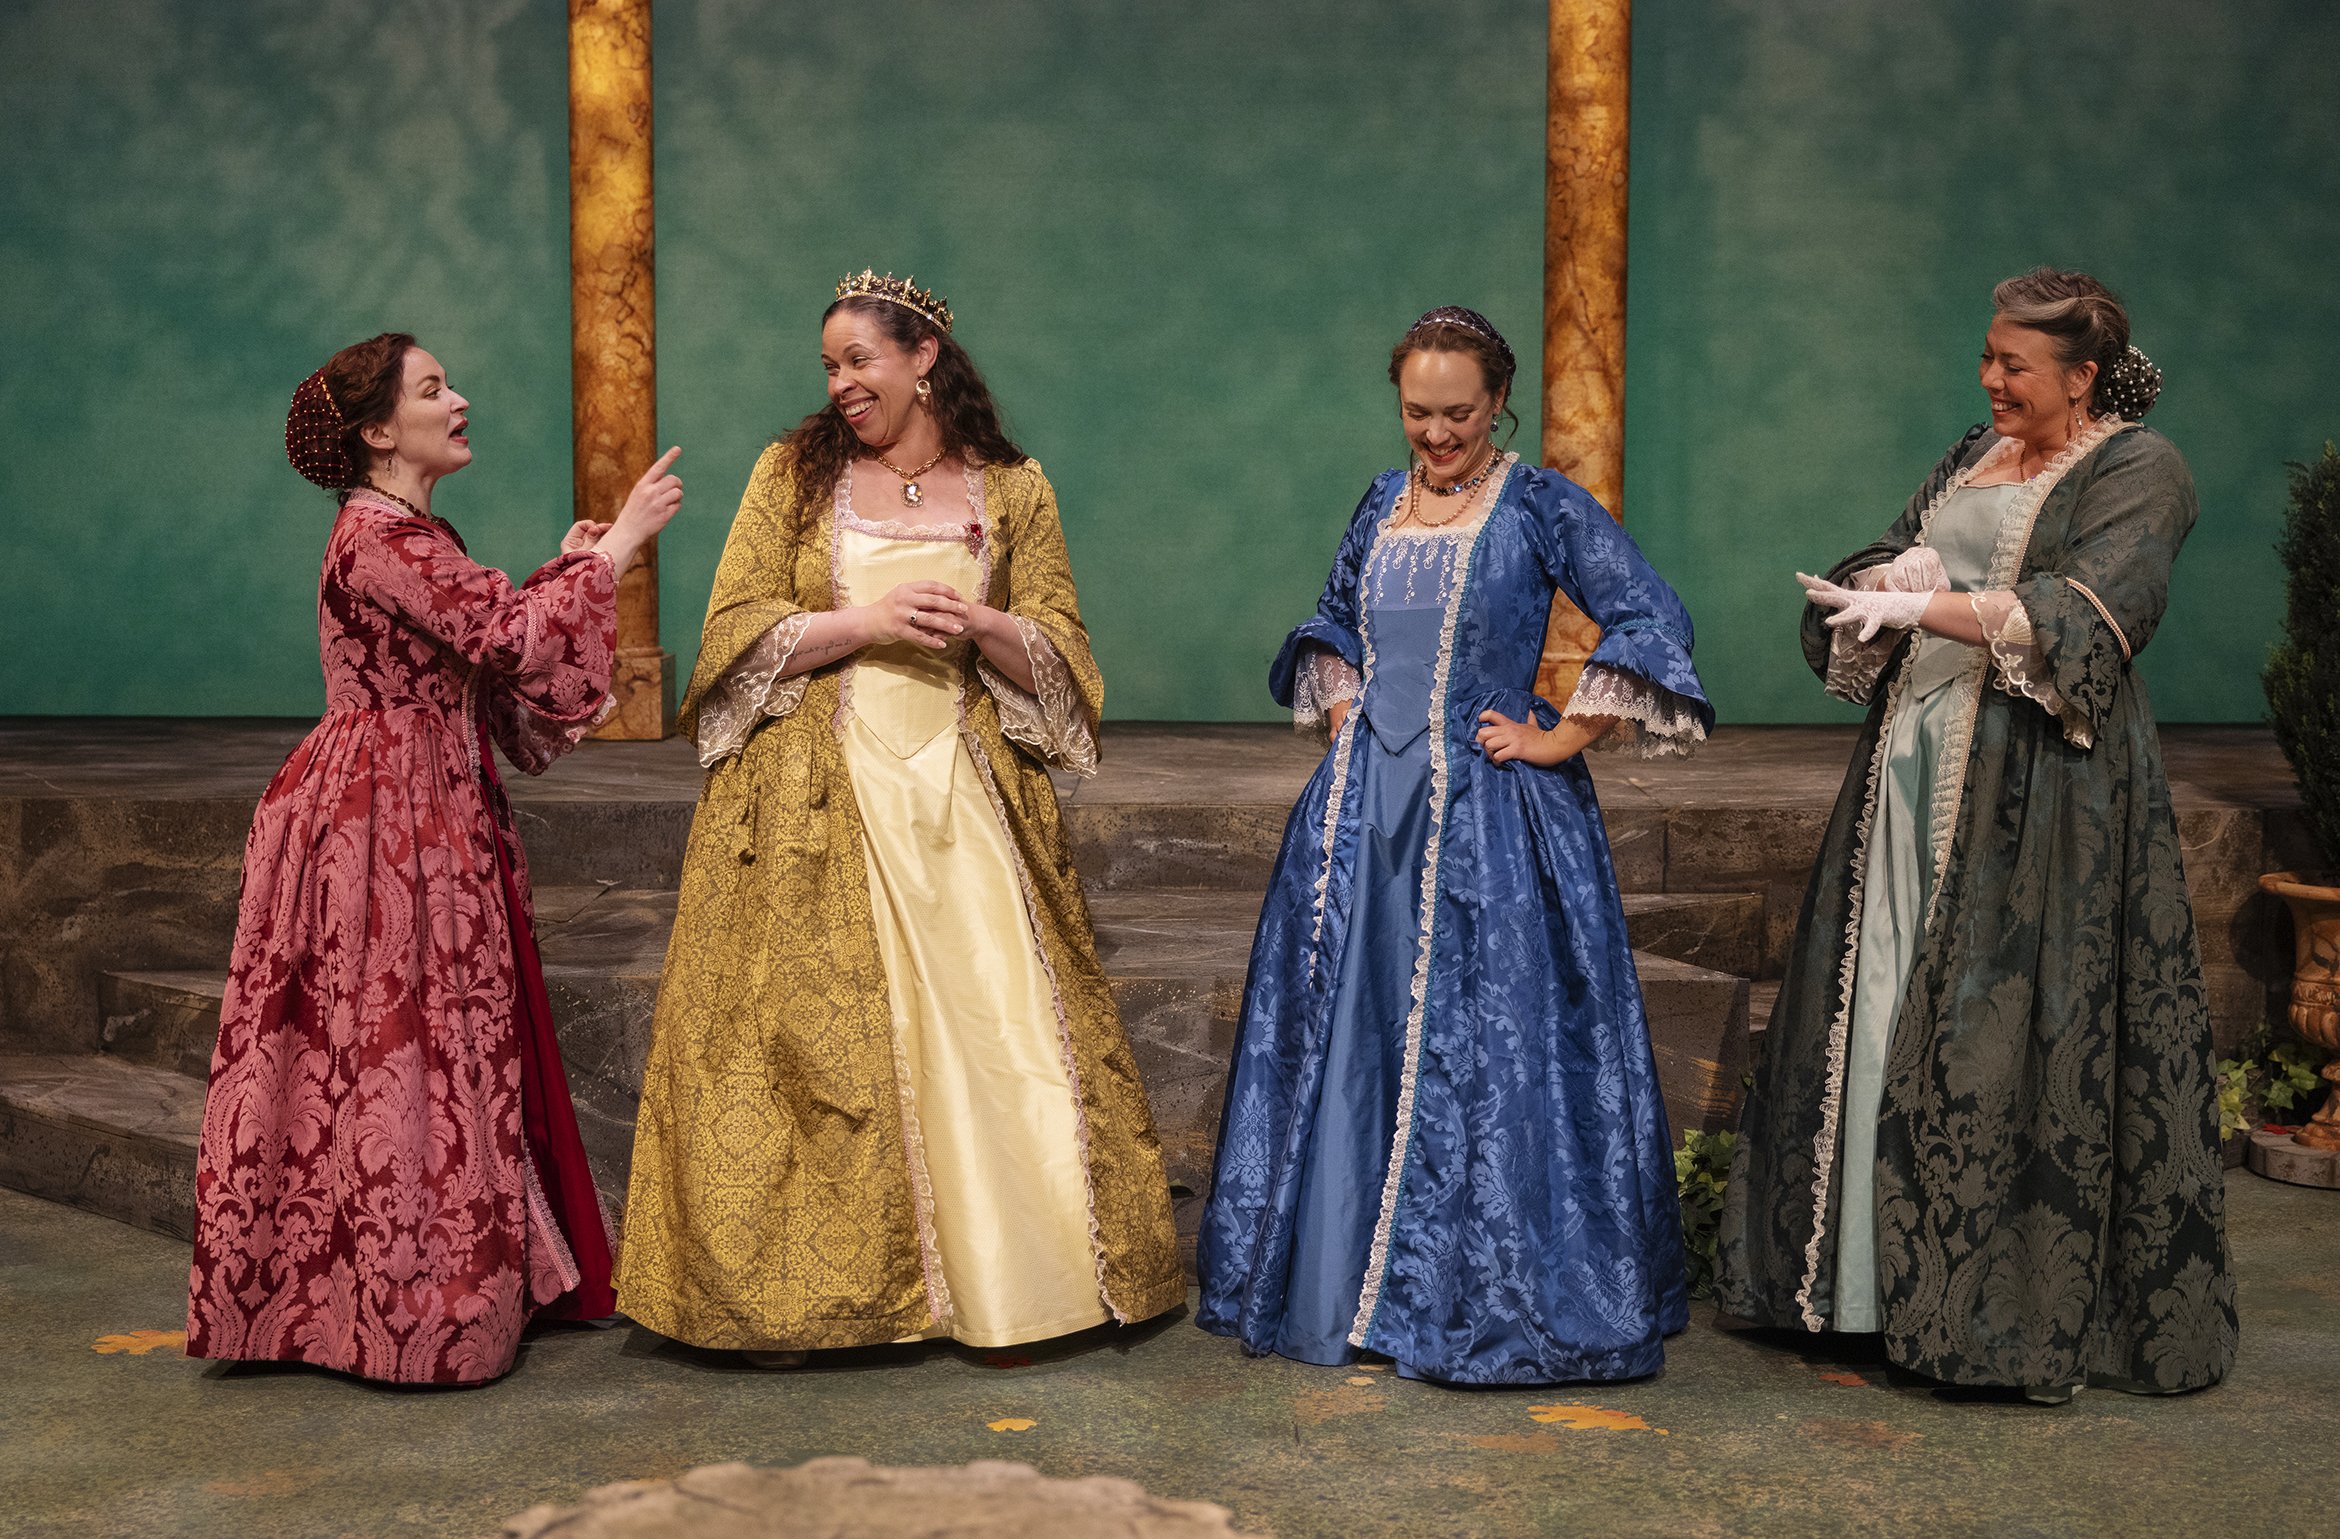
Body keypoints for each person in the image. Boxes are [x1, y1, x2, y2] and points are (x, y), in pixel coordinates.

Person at [617, 272, 1182, 1354]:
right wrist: (867, 620)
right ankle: (843, 1292)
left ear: (923, 360)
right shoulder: (792, 475)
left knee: (1000, 1025)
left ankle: (1023, 1280)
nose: (840, 384)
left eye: (859, 361)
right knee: (810, 1043)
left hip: (964, 792)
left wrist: (979, 620)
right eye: (829, 366)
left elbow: (1063, 648)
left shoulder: (1012, 490)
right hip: (819, 789)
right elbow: (736, 625)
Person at [1717, 268, 2235, 1400]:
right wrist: (1885, 576)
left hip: (2036, 782)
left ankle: (1978, 1312)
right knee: (1879, 993)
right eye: (1989, 357)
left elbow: (2092, 613)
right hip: (1911, 758)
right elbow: (1896, 549)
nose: (1991, 379)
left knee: (1990, 1023)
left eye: (2016, 365)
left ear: (2082, 376)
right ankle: (1845, 1289)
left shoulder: (2141, 467)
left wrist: (1929, 606)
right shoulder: (1974, 449)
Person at [1195, 306, 1713, 1384]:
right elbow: (1336, 616)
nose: (1436, 436)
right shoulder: (1382, 501)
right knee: (1353, 1033)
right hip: (1360, 817)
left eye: (1459, 416)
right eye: (1418, 414)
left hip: (1485, 817)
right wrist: (1342, 701)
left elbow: (1647, 614)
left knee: (1483, 1053)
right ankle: (1340, 1286)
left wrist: (1561, 735)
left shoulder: (1537, 505)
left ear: (1498, 404)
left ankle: (1458, 1297)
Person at [186, 333, 683, 1384]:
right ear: (377, 431)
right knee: (394, 1052)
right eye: (430, 389)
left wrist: (566, 571)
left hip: (423, 800)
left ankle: (415, 1289)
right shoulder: (379, 538)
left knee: (412, 1052)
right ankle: (404, 1312)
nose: (458, 399)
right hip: (382, 819)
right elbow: (504, 637)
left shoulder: (412, 534)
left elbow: (490, 659)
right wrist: (615, 551)